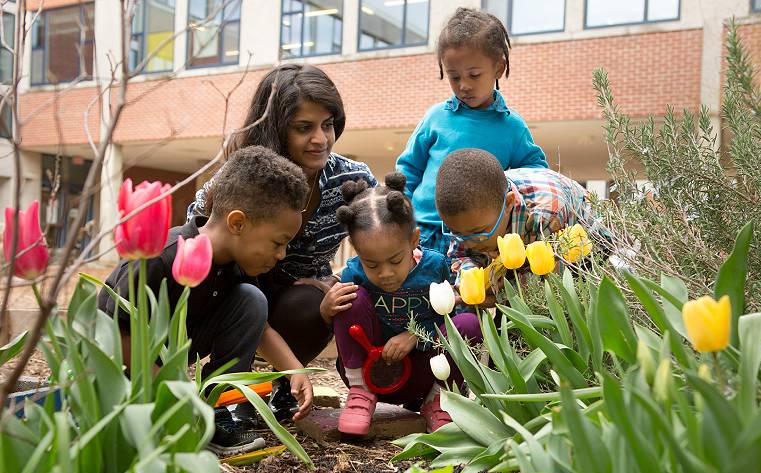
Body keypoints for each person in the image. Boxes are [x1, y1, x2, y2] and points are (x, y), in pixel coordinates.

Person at [187, 64, 377, 419]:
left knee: (324, 299)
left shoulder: (352, 180)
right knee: (247, 298)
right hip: (233, 294)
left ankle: (285, 388)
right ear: (275, 128)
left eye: (328, 124)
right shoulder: (240, 178)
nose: (320, 138)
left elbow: (383, 241)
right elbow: (197, 236)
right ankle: (228, 395)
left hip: (299, 303)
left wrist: (337, 281)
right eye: (304, 127)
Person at [99, 146, 314, 456]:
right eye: (278, 243)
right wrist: (174, 393)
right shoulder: (162, 255)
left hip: (169, 360)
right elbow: (118, 331)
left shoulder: (235, 262)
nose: (281, 255)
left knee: (251, 300)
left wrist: (293, 370)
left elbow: (260, 327)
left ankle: (215, 413)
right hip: (119, 365)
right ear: (238, 223)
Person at [321, 173, 482, 435]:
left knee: (469, 324)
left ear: (414, 240)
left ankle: (440, 401)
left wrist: (415, 336)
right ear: (355, 248)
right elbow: (343, 325)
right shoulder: (353, 274)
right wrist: (326, 310)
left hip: (424, 374)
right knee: (347, 297)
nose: (385, 273)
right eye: (371, 264)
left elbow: (452, 318)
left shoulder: (435, 268)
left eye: (395, 261)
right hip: (370, 372)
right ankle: (359, 396)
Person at [396, 7, 548, 258]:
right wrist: (402, 216)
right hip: (422, 232)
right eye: (454, 77)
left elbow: (536, 175)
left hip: (477, 240)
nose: (464, 85)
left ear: (499, 67)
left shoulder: (512, 128)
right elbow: (408, 170)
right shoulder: (436, 117)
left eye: (474, 75)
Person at [435, 148, 609, 303]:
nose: (470, 243)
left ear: (509, 203)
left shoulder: (546, 214)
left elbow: (545, 284)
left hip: (592, 254)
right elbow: (461, 255)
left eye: (478, 233)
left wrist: (499, 298)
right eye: (457, 233)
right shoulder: (470, 220)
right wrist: (470, 280)